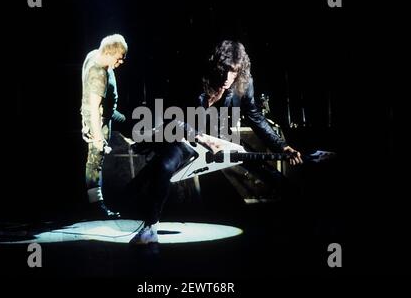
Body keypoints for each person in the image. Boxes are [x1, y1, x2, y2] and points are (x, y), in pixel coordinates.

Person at [129, 40, 302, 244]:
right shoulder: (195, 76)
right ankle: (150, 228)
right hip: (188, 134)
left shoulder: (244, 83)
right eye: (225, 70)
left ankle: (300, 213)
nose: (228, 78)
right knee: (165, 165)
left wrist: (281, 145)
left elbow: (254, 115)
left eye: (234, 72)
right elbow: (173, 117)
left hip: (219, 135)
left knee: (261, 166)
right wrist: (203, 139)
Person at [81, 34, 128, 219]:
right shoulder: (98, 72)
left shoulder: (95, 54)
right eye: (119, 57)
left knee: (129, 121)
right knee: (95, 161)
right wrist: (98, 137)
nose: (121, 61)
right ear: (110, 53)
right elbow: (94, 108)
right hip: (99, 119)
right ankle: (96, 205)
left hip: (109, 113)